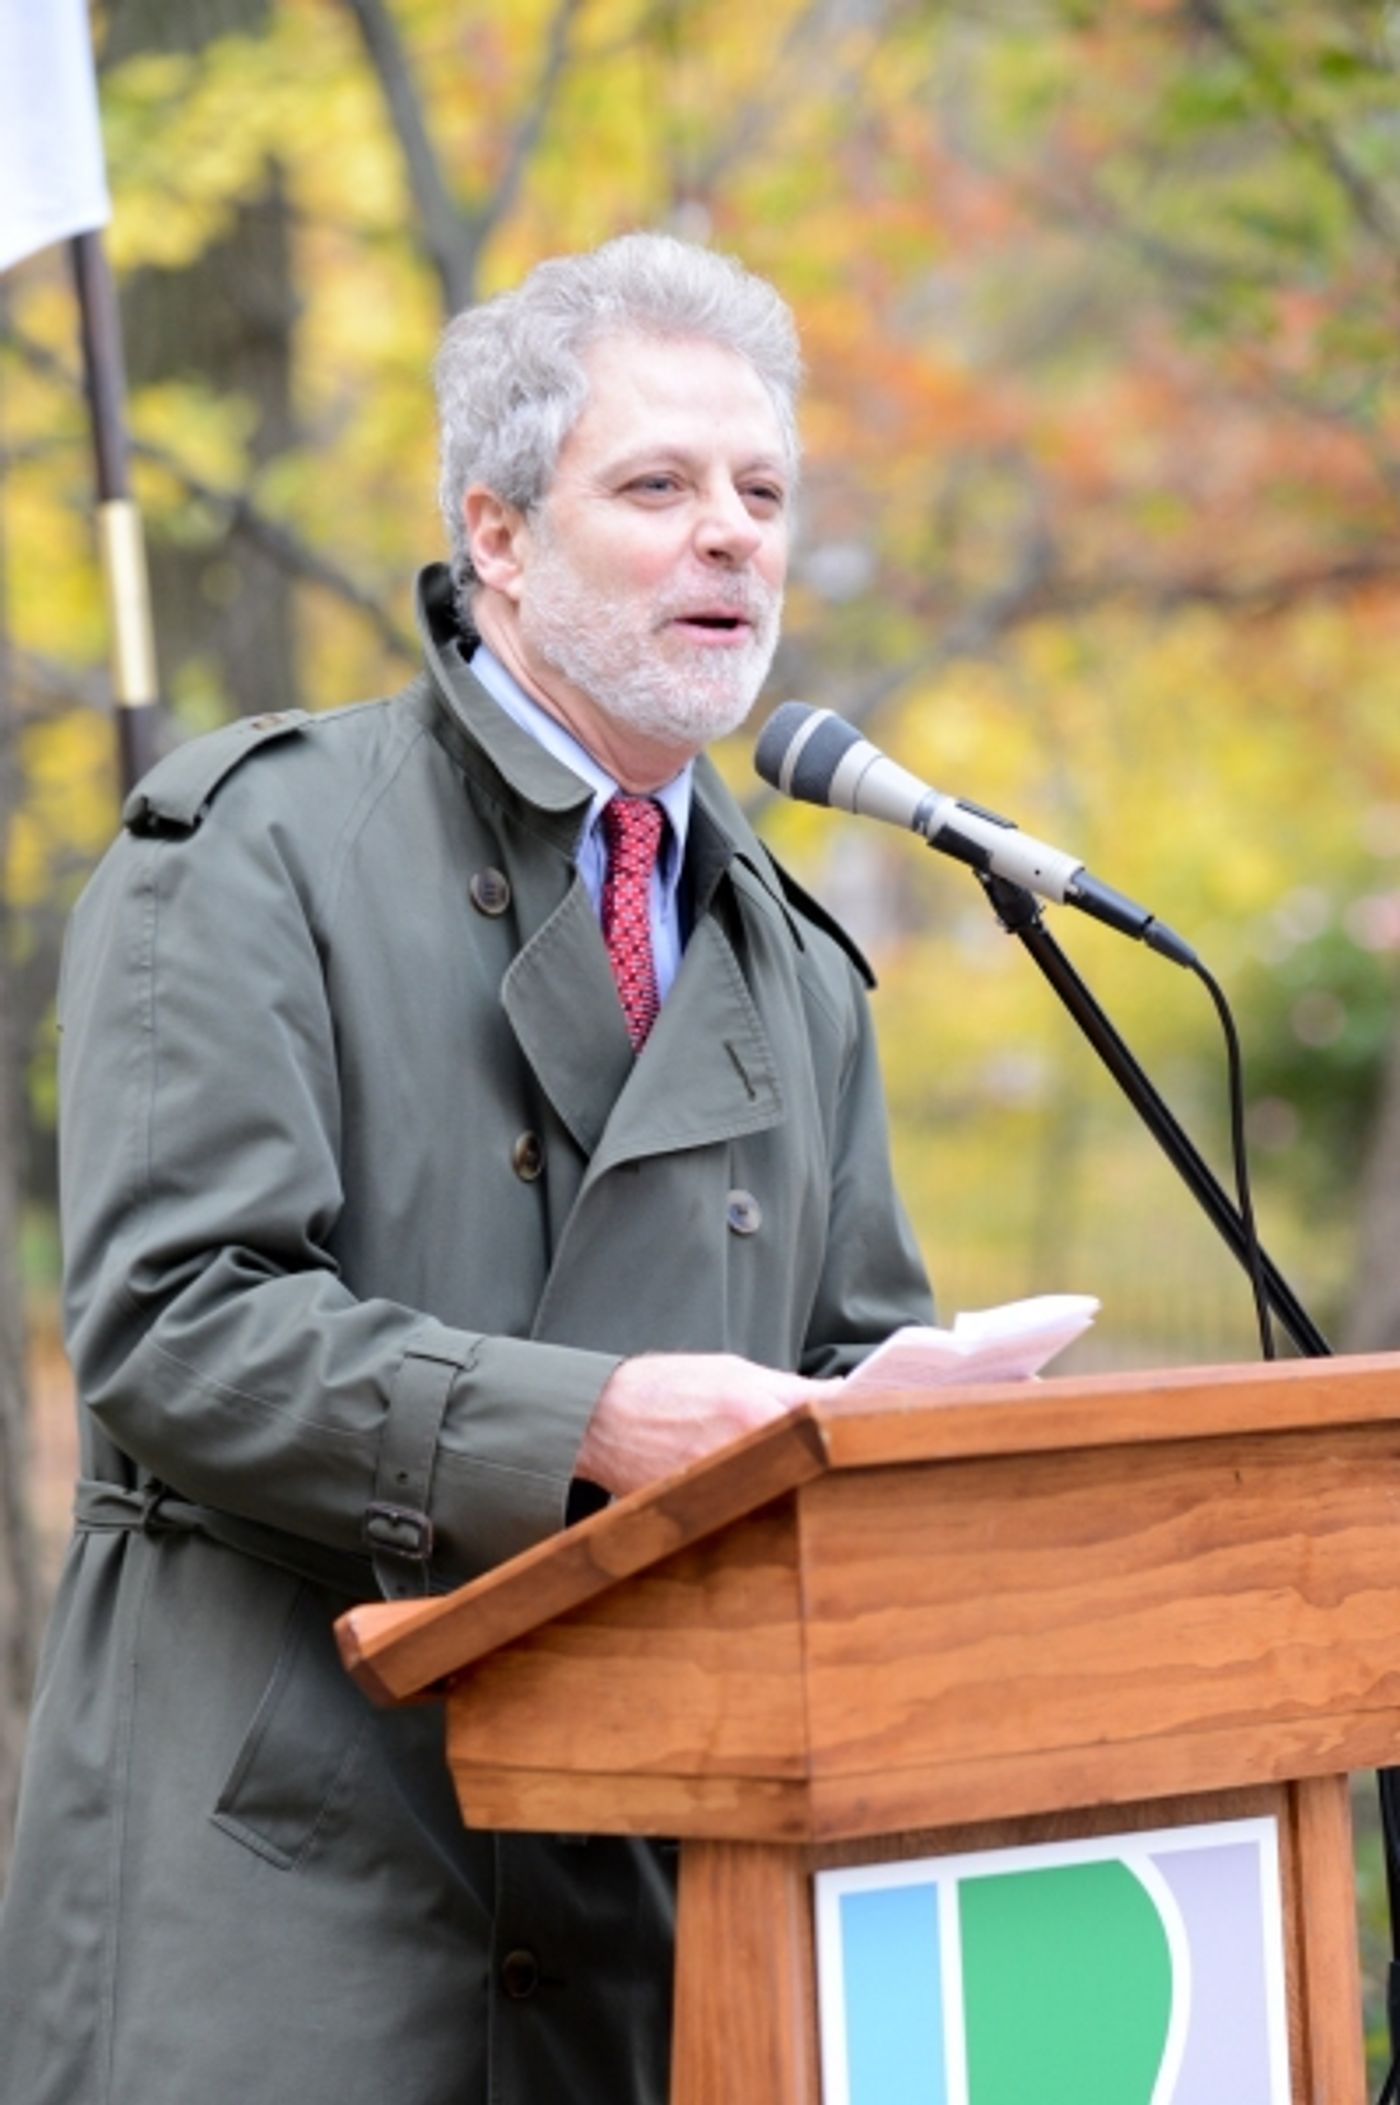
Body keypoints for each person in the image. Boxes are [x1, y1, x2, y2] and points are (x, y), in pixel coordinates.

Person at [0, 232, 933, 2104]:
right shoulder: (246, 849)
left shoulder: (791, 961)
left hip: (652, 1921)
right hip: (284, 1904)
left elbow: (845, 1381)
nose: (734, 536)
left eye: (762, 492)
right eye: (658, 486)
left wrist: (924, 1433)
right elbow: (178, 1328)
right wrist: (597, 1417)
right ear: (496, 536)